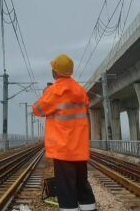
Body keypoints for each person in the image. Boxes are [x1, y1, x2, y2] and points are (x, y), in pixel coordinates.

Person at [33, 54, 96, 211]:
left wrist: (45, 93)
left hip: (63, 148)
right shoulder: (79, 90)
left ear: (55, 71)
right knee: (82, 184)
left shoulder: (54, 91)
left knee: (66, 187)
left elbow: (37, 110)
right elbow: (85, 105)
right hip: (79, 148)